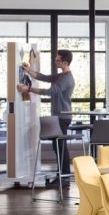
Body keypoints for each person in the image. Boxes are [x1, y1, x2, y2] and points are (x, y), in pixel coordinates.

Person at [18, 49, 76, 185]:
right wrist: (28, 70)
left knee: (60, 146)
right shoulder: (61, 76)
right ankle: (63, 177)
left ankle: (64, 178)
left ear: (65, 62)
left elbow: (51, 91)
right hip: (59, 116)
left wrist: (29, 89)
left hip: (63, 116)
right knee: (58, 146)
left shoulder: (66, 78)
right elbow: (43, 77)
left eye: (57, 60)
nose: (55, 61)